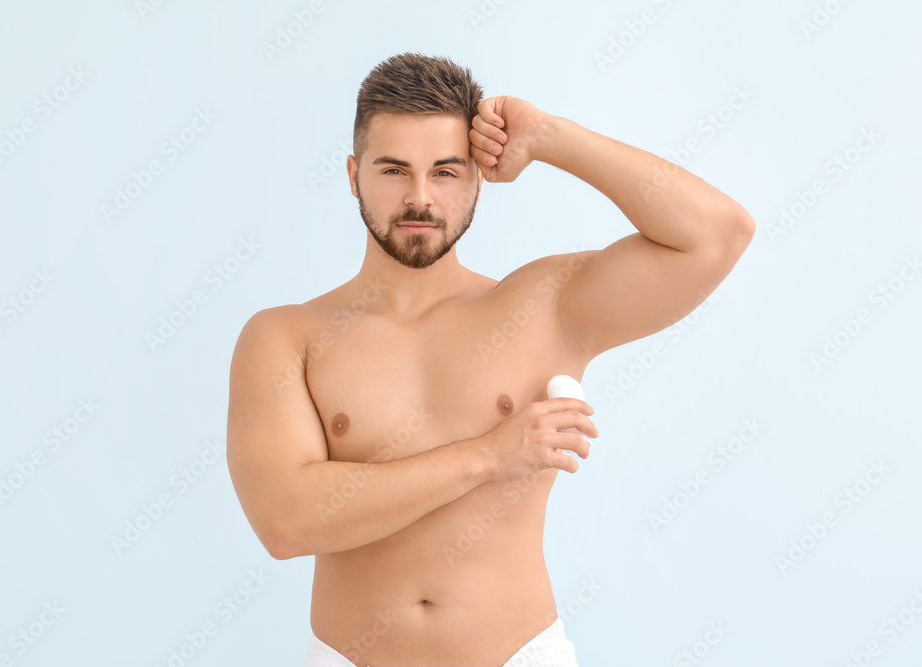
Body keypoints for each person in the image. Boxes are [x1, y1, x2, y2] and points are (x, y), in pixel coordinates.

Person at [226, 52, 754, 666]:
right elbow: (286, 521)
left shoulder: (544, 307)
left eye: (446, 172)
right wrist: (490, 455)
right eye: (394, 170)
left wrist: (550, 137)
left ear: (479, 178)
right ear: (352, 174)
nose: (419, 198)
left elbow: (718, 235)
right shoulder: (287, 336)